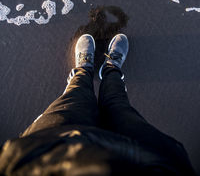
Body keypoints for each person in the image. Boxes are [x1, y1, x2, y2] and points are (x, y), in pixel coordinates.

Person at [0, 34, 196, 175]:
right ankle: (111, 70)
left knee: (74, 97)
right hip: (147, 156)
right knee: (117, 104)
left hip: (44, 150)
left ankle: (83, 71)